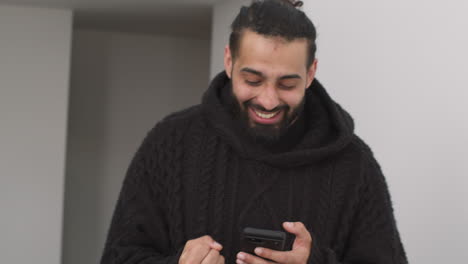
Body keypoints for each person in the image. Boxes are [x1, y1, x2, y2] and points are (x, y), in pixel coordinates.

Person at [100, 0, 408, 263]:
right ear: (229, 61)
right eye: (253, 80)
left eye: (287, 84)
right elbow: (118, 256)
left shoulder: (354, 164)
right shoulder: (168, 145)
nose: (268, 100)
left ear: (311, 72)